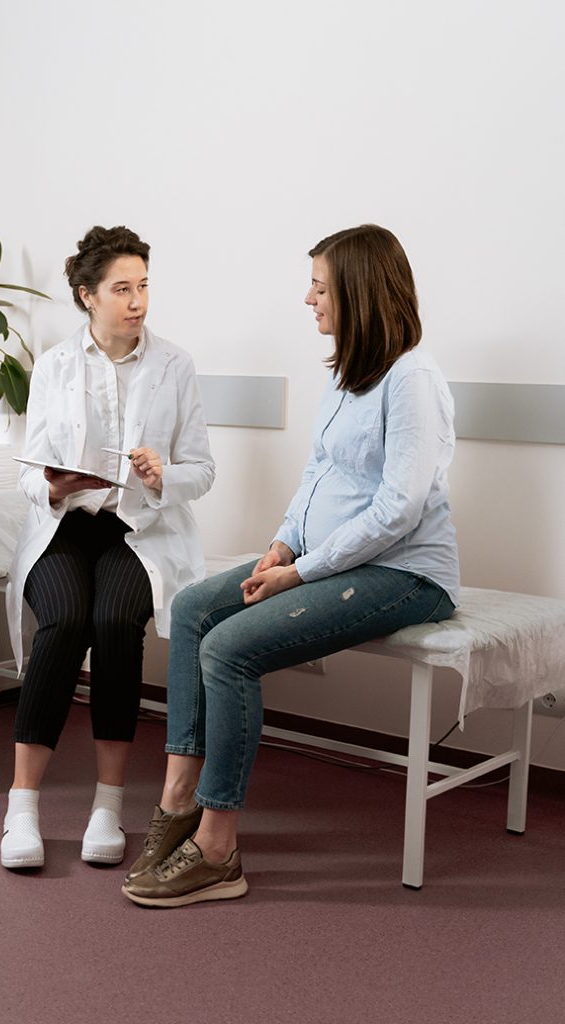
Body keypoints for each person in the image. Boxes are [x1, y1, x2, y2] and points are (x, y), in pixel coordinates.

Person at [122, 224, 460, 907]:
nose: (308, 298)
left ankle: (218, 850)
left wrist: (301, 573)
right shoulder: (346, 375)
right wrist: (282, 544)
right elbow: (318, 476)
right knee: (192, 608)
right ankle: (179, 801)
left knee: (229, 649)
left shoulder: (412, 379)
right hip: (328, 559)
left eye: (320, 286)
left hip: (407, 575)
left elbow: (398, 510)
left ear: (359, 293)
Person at [3, 225, 215, 870]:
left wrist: (161, 475)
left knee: (116, 624)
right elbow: (23, 470)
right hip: (66, 524)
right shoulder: (56, 365)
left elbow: (201, 470)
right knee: (64, 623)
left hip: (138, 529)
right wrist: (52, 483)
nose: (138, 301)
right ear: (86, 295)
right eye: (121, 288)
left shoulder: (174, 365)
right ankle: (22, 806)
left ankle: (108, 803)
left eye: (143, 285)